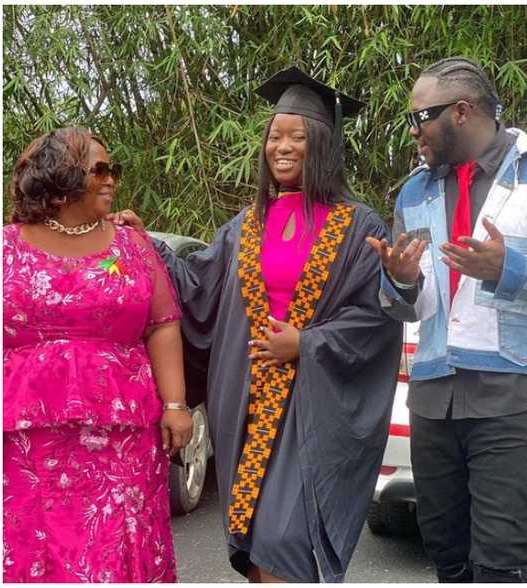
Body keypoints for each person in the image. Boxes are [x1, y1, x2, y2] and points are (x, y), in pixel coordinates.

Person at [112, 67, 403, 583]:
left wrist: (307, 343)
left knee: (284, 539)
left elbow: (373, 320)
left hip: (313, 406)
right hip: (245, 398)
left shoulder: (359, 224)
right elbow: (198, 286)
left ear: (325, 144)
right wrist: (145, 244)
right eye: (275, 136)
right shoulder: (247, 223)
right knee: (254, 539)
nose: (282, 147)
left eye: (298, 136)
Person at [368, 57, 527, 582]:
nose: (413, 132)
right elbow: (407, 303)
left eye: (418, 117)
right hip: (434, 396)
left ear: (461, 111)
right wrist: (399, 280)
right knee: (446, 555)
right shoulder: (414, 191)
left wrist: (509, 267)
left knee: (499, 561)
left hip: (514, 395)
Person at [3, 127, 191, 582]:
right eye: (100, 170)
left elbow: (162, 325)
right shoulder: (5, 247)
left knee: (116, 545)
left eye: (114, 171)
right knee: (33, 544)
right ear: (62, 176)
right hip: (27, 439)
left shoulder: (131, 244)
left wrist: (176, 405)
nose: (111, 180)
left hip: (122, 436)